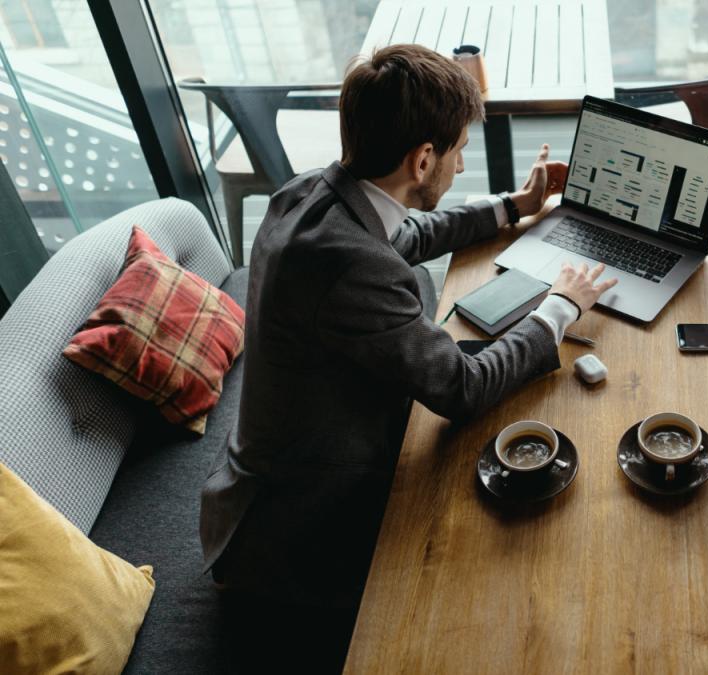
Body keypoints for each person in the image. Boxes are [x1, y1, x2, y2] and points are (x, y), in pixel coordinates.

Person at [200, 44, 616, 624]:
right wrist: (561, 308)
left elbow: (406, 236)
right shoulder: (349, 266)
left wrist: (514, 206)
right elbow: (462, 389)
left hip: (278, 473)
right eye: (459, 151)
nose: (461, 167)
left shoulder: (312, 193)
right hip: (297, 527)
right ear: (422, 161)